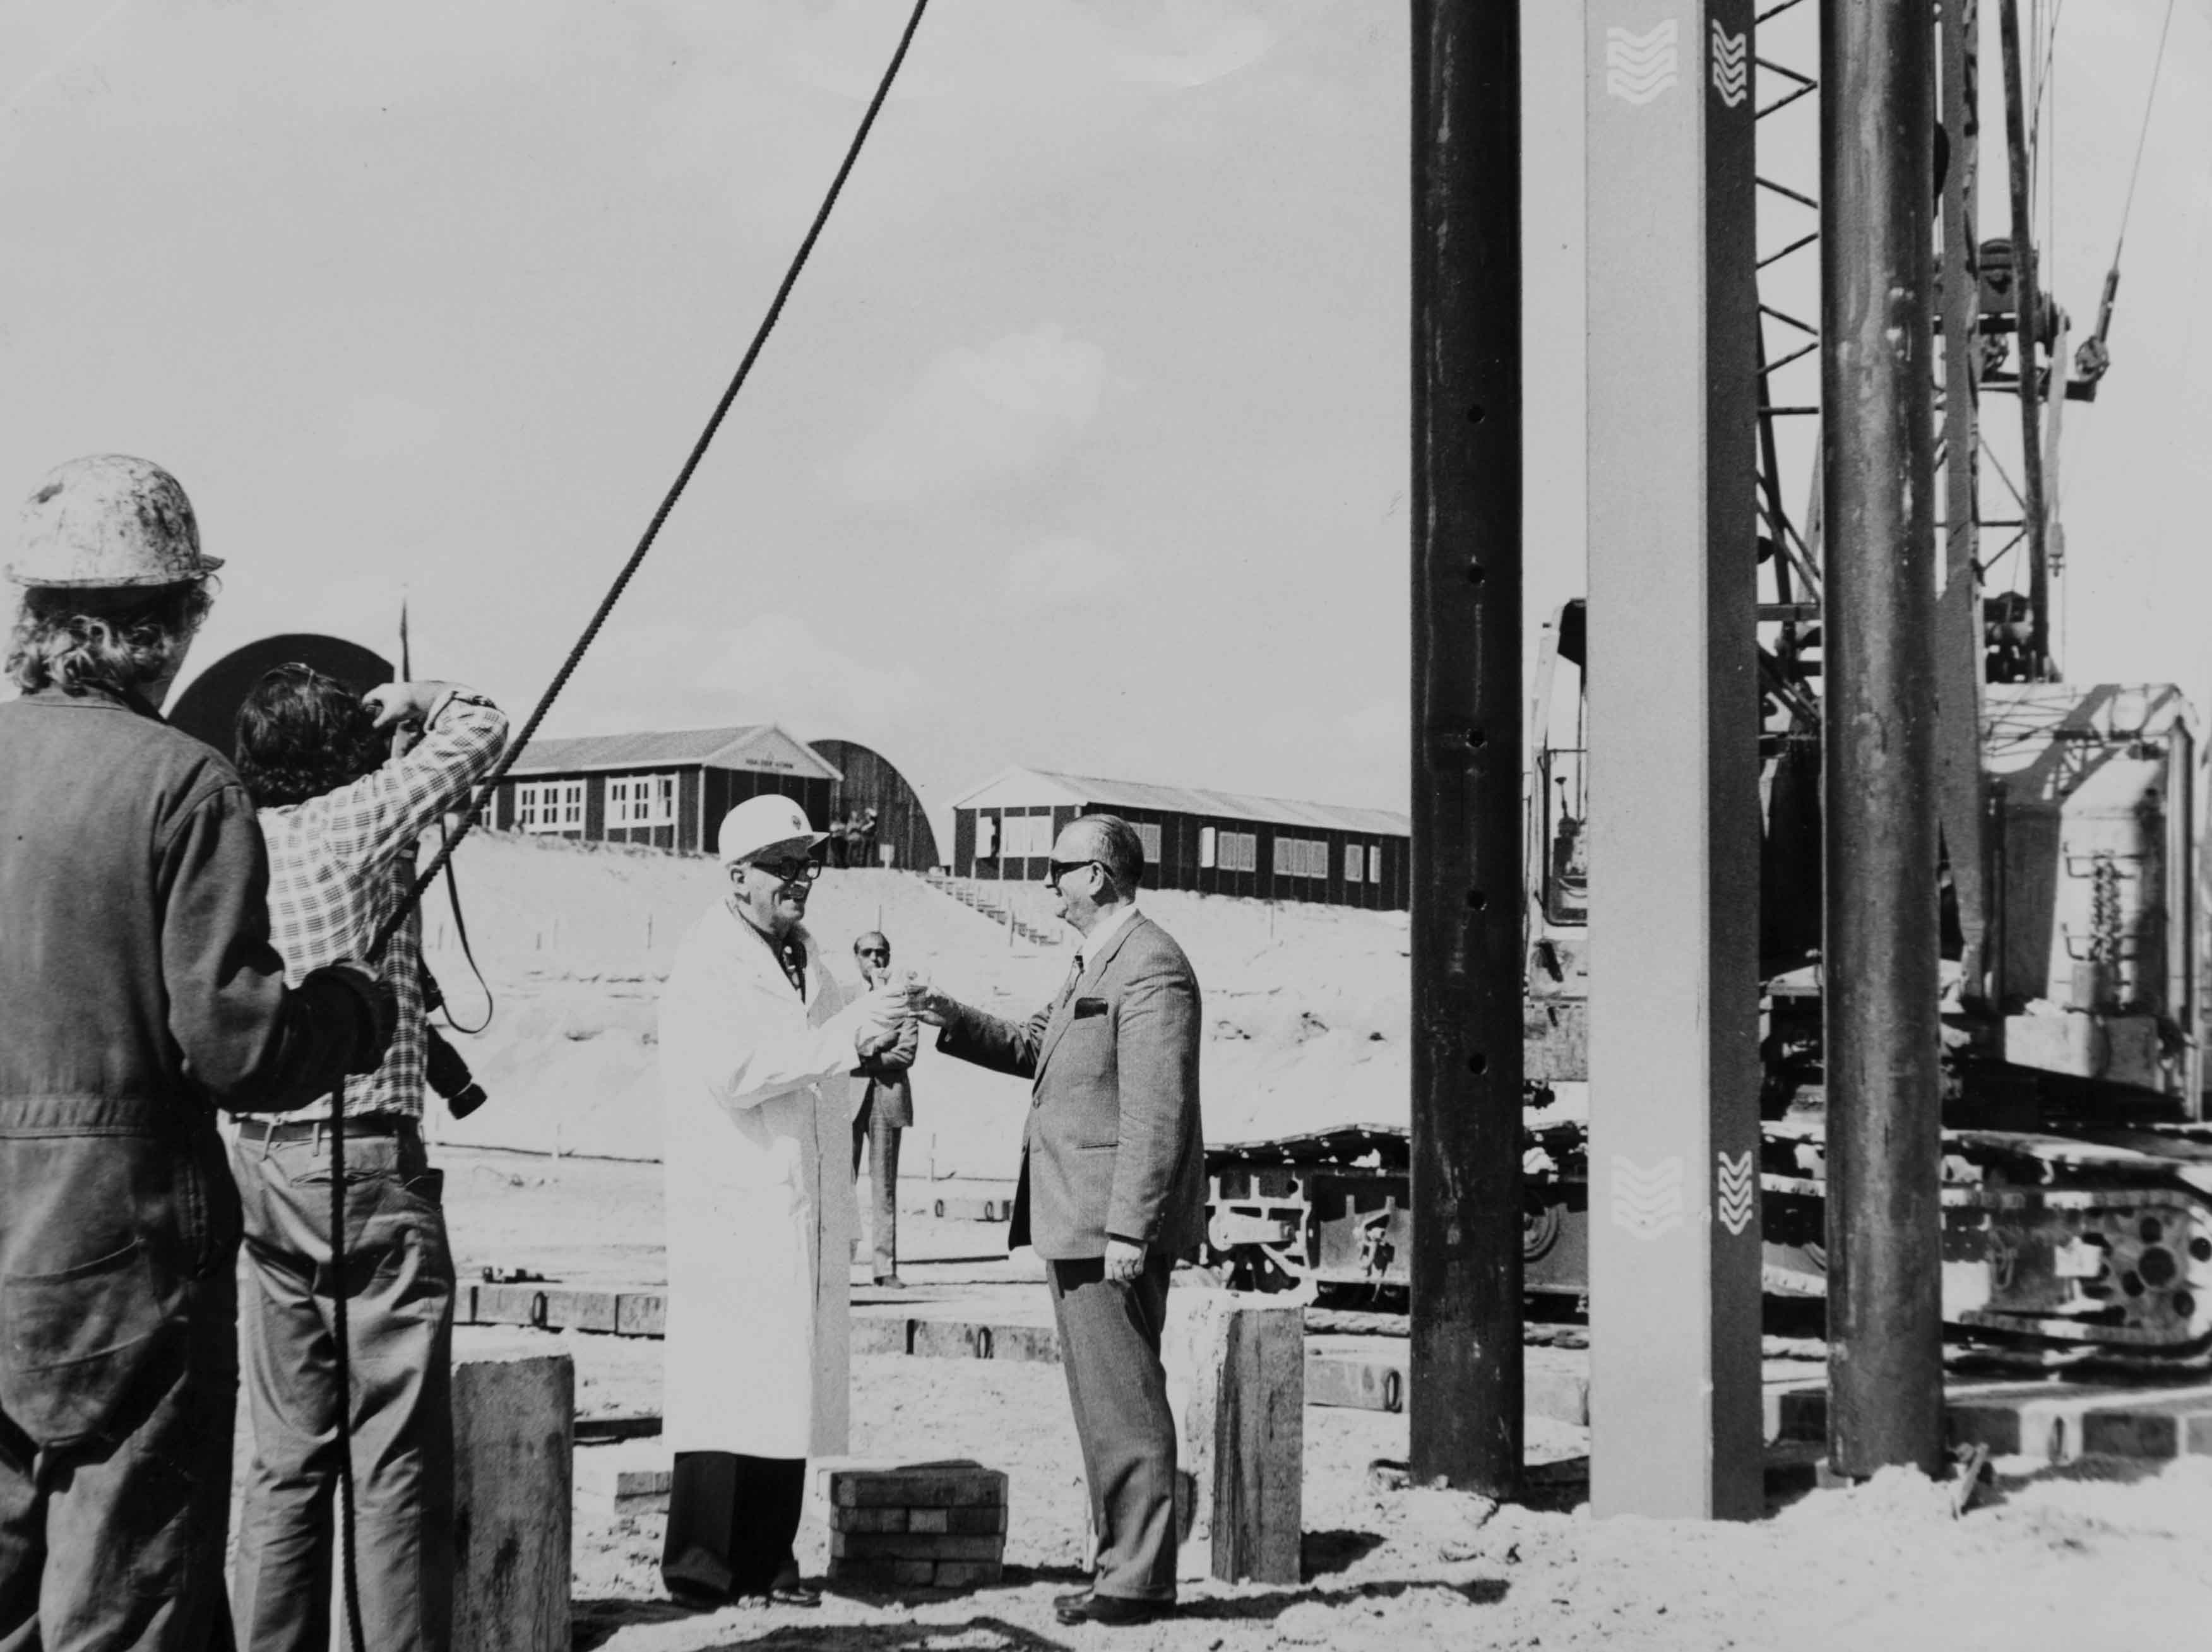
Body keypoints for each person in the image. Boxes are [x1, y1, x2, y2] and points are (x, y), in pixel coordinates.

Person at [0, 454, 393, 1652]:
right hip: (120, 1250)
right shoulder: (184, 782)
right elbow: (235, 1047)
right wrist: (346, 1010)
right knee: (125, 1594)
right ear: (166, 624)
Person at [226, 665, 509, 1652]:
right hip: (369, 1162)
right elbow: (482, 729)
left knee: (283, 1461)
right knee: (393, 1462)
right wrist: (421, 695)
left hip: (261, 1164)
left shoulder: (239, 844)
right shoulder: (355, 820)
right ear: (342, 754)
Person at [920, 813, 1204, 1628]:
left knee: (1126, 1400)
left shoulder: (1150, 966)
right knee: (1104, 1401)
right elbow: (1034, 1047)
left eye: (1058, 868)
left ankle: (1137, 1578)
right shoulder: (1096, 961)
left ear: (1101, 876)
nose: (1045, 883)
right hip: (1075, 1214)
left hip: (1106, 1220)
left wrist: (1130, 1229)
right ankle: (1121, 1566)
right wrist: (949, 1013)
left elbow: (1158, 1111)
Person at [656, 795, 912, 1608]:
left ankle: (770, 1560)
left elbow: (832, 1054)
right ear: (738, 877)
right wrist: (848, 1038)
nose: (803, 878)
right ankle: (702, 1568)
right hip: (735, 1201)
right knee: (727, 1384)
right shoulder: (708, 964)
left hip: (798, 1201)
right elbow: (736, 1073)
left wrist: (881, 1049)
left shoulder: (811, 962)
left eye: (811, 863)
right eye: (785, 864)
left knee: (786, 1383)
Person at [850, 930, 918, 1287]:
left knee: (885, 1188)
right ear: (856, 957)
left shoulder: (904, 1000)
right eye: (867, 953)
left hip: (887, 1100)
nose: (875, 959)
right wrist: (876, 1048)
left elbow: (905, 1053)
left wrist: (863, 1054)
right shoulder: (845, 1000)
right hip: (847, 1101)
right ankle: (836, 1265)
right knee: (841, 1187)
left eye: (881, 953)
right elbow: (840, 1045)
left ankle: (884, 1268)